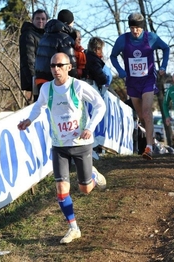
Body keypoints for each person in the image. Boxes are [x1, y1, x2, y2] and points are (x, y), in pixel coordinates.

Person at [18, 53, 106, 244]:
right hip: (59, 145)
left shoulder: (78, 86)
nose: (56, 69)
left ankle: (92, 175)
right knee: (61, 188)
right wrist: (29, 120)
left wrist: (90, 127)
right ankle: (73, 228)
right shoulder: (47, 88)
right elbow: (38, 107)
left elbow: (100, 105)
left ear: (69, 67)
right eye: (53, 66)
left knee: (84, 189)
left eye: (60, 65)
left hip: (81, 144)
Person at [110, 12, 169, 160]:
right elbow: (113, 56)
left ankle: (149, 148)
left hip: (148, 80)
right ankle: (153, 140)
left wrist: (163, 66)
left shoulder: (151, 38)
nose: (135, 31)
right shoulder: (123, 40)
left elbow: (166, 48)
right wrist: (120, 70)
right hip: (132, 82)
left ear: (142, 27)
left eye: (138, 28)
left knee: (147, 111)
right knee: (142, 116)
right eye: (132, 28)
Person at [34, 9, 78, 101]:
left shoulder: (45, 36)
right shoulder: (64, 38)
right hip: (55, 82)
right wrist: (76, 80)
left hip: (40, 80)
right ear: (69, 23)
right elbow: (70, 64)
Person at [19, 9, 49, 103]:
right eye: (38, 18)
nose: (40, 21)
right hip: (37, 79)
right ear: (32, 20)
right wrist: (33, 79)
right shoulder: (28, 35)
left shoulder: (46, 35)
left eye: (43, 19)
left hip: (45, 79)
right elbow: (28, 59)